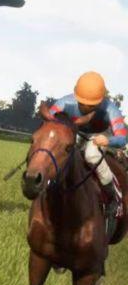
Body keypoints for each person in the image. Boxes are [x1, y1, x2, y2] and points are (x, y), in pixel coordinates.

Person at [44, 71, 126, 216]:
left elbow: (122, 138)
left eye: (91, 105)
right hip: (76, 132)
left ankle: (113, 197)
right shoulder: (64, 103)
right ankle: (48, 186)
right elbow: (49, 126)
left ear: (101, 100)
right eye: (82, 103)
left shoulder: (111, 109)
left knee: (91, 154)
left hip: (100, 135)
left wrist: (108, 140)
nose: (85, 108)